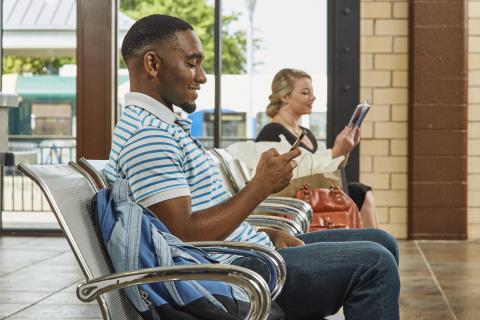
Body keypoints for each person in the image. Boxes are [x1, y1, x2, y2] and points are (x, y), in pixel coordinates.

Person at [104, 14, 400, 319]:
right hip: (231, 276)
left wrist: (262, 232)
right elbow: (184, 235)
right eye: (192, 63)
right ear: (152, 64)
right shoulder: (148, 135)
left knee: (382, 241)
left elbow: (195, 221)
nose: (202, 76)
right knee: (375, 263)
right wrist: (260, 187)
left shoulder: (162, 126)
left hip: (240, 256)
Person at [256, 68, 379, 228]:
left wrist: (345, 150)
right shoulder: (272, 133)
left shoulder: (305, 133)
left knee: (362, 192)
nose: (313, 97)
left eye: (312, 92)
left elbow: (328, 170)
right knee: (361, 193)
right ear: (285, 97)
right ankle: (374, 248)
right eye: (305, 93)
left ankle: (375, 247)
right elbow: (295, 174)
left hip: (316, 193)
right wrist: (337, 151)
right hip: (298, 201)